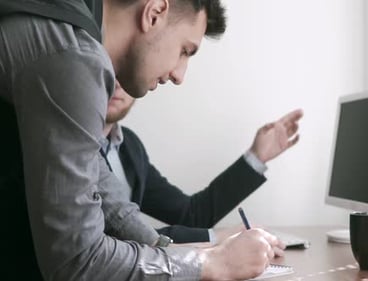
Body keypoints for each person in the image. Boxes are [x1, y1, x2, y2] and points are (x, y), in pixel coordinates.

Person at [0, 0, 284, 280]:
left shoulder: (61, 25)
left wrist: (165, 248)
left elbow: (110, 201)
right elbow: (76, 261)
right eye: (185, 51)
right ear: (155, 12)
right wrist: (211, 263)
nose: (179, 75)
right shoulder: (76, 55)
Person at [104, 81, 303, 244]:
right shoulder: (77, 150)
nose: (119, 83)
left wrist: (256, 156)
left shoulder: (128, 146)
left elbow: (191, 216)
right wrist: (215, 238)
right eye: (110, 69)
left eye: (124, 71)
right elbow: (108, 240)